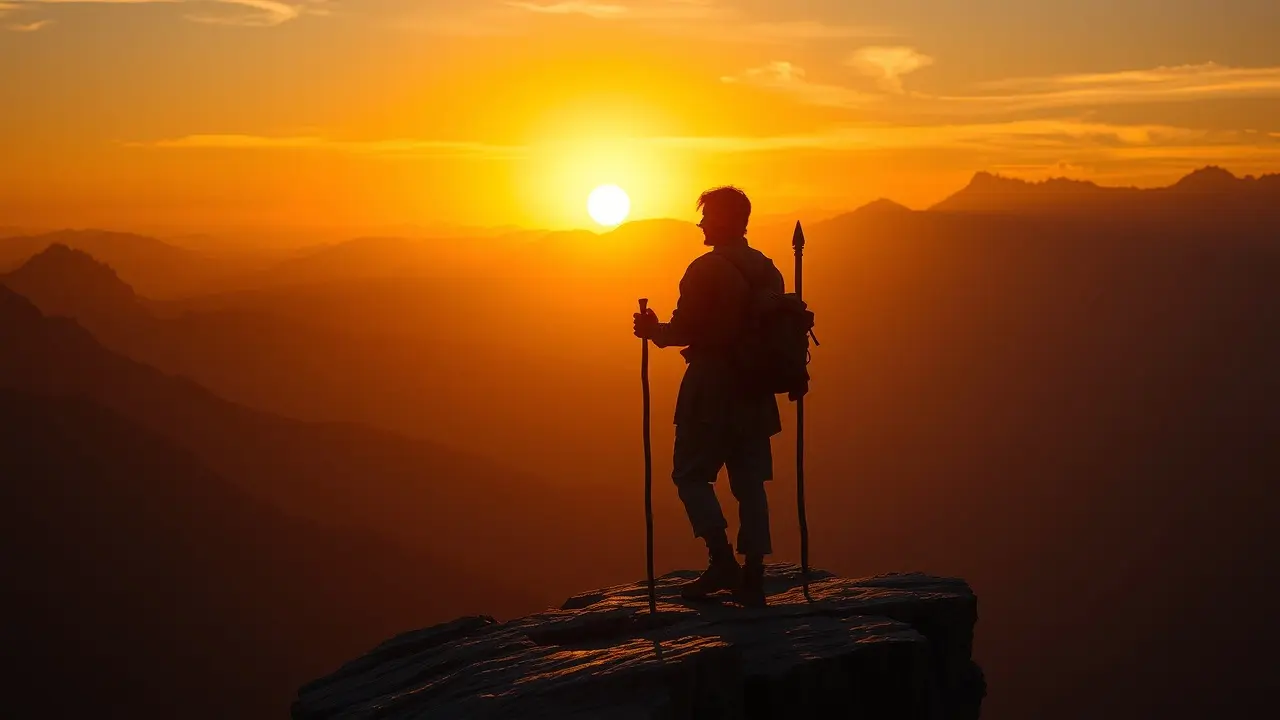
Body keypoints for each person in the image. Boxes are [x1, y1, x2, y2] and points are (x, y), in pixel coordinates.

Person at [633, 185, 784, 606]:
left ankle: (721, 561)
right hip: (756, 390)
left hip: (710, 387)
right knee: (750, 482)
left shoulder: (705, 270)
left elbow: (683, 330)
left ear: (728, 220)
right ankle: (754, 572)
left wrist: (652, 330)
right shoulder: (767, 270)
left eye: (707, 216)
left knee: (691, 475)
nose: (701, 223)